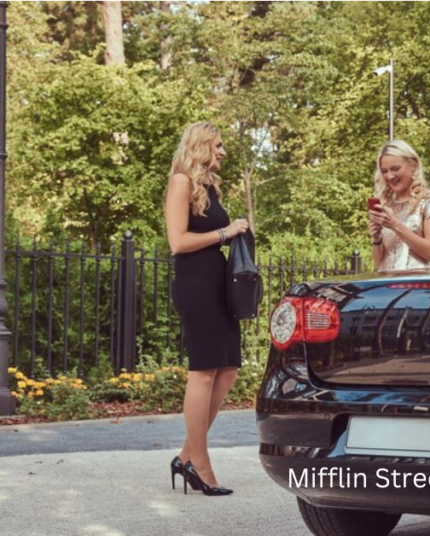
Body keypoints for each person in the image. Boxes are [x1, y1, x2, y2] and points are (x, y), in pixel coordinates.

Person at [164, 121, 250, 496]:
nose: (223, 152)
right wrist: (225, 233)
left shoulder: (209, 186)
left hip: (218, 283)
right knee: (202, 372)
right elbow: (177, 242)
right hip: (195, 284)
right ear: (200, 145)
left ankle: (185, 455)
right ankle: (201, 463)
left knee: (228, 370)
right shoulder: (180, 181)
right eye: (217, 145)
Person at [368, 140, 430, 271]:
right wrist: (376, 239)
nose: (390, 176)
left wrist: (395, 225)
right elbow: (379, 263)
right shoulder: (387, 205)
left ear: (413, 166)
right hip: (387, 285)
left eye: (395, 169)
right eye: (384, 171)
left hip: (416, 285)